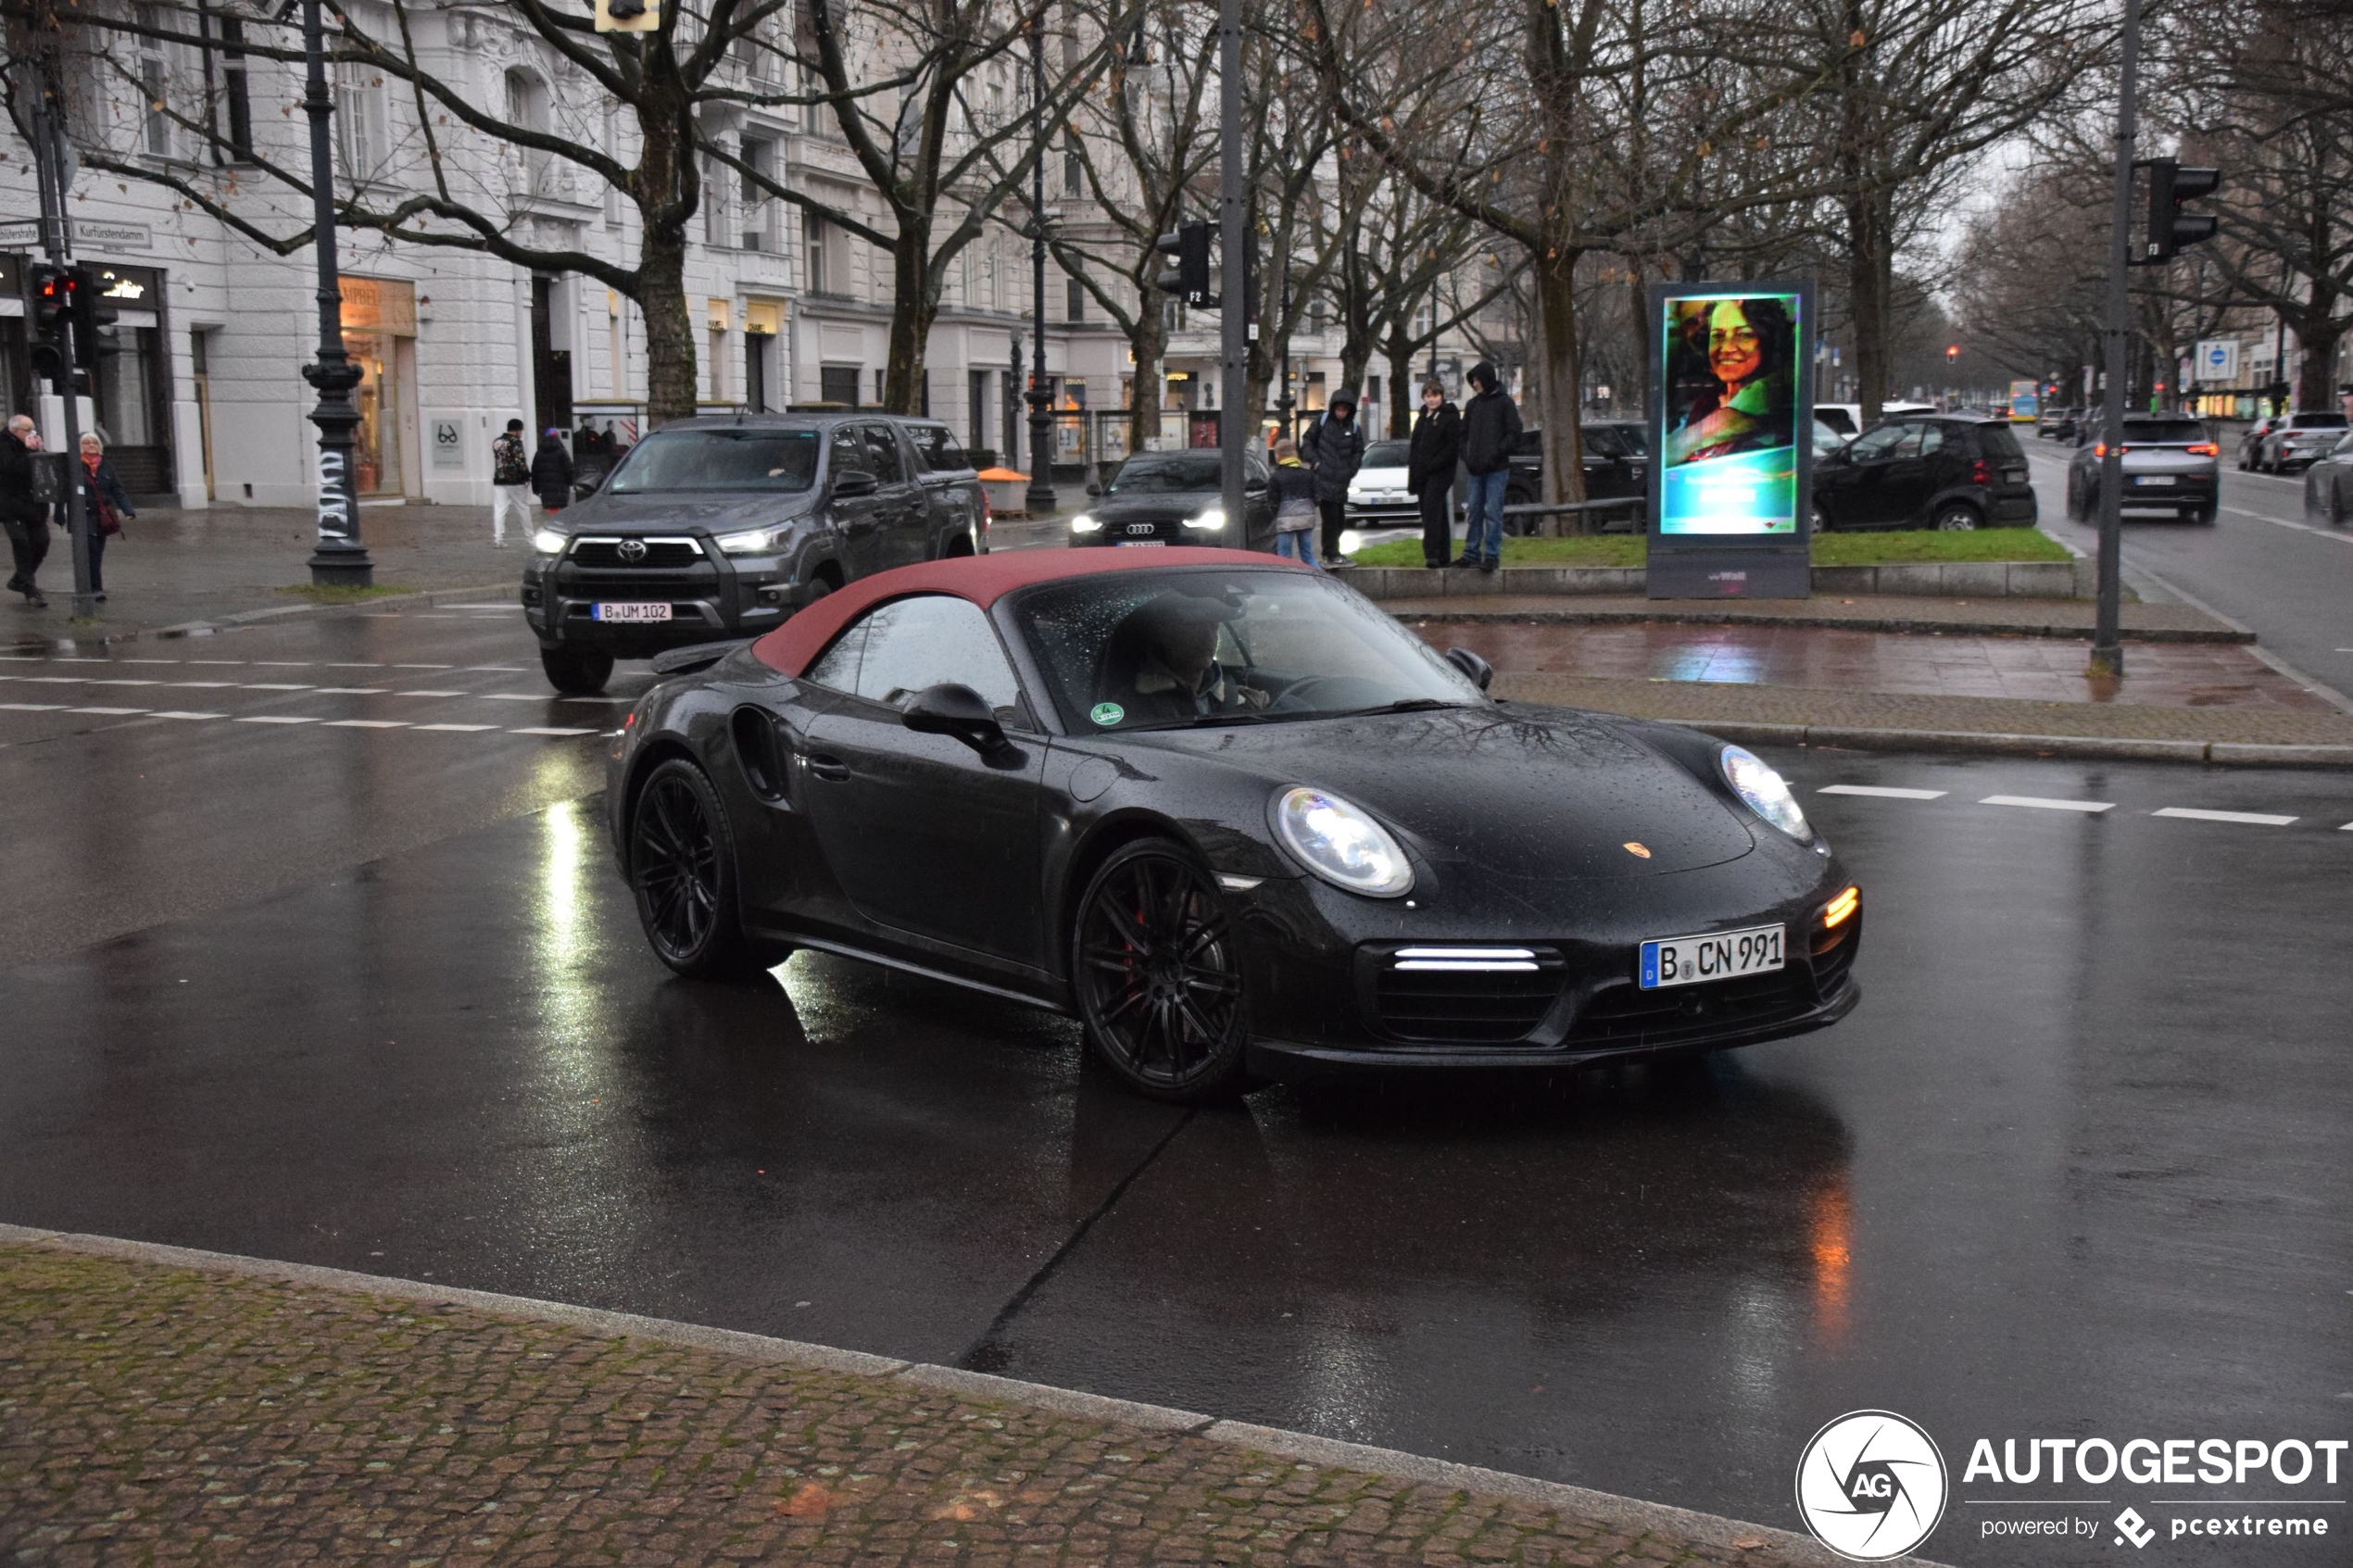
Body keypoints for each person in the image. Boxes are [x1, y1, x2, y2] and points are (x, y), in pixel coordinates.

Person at [1103, 593, 1272, 725]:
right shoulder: (1129, 708)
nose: (1207, 636)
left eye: (1213, 626)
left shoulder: (1245, 698)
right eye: (1193, 626)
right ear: (1161, 633)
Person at [1665, 296, 1793, 465]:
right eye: (1717, 336)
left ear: (1767, 341)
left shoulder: (1771, 403)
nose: (1727, 348)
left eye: (1743, 335)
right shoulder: (1704, 403)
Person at [1456, 361, 1521, 571]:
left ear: (1485, 379)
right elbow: (1463, 433)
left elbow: (1514, 434)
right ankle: (1471, 552)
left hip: (1496, 468)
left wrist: (1495, 453)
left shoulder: (1505, 403)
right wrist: (1466, 455)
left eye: (1476, 380)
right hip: (1476, 468)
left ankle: (1491, 555)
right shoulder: (1473, 405)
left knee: (1493, 513)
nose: (1474, 384)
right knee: (1475, 511)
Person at [1300, 387, 1365, 565]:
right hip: (1324, 478)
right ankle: (1330, 553)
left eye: (1345, 410)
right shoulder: (1322, 421)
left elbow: (1358, 451)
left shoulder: (1353, 427)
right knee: (1331, 519)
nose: (1341, 413)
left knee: (1339, 520)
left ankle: (1332, 552)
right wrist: (1316, 462)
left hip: (1341, 480)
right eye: (1339, 409)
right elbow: (1307, 442)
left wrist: (1351, 469)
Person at [1406, 379, 1462, 569]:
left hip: (1440, 472)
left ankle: (1432, 554)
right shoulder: (1422, 418)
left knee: (1431, 510)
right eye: (1428, 396)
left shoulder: (1450, 416)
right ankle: (1443, 554)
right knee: (1434, 512)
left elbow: (1451, 447)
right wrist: (1414, 468)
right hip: (1422, 473)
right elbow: (1415, 445)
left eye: (1435, 395)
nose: (1431, 400)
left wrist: (1432, 464)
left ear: (1441, 396)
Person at [77, 433, 135, 603]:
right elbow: (67, 489)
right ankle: (95, 588)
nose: (91, 445)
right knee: (91, 551)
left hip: (102, 517)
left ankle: (90, 585)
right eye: (86, 442)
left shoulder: (106, 465)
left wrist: (128, 510)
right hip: (83, 516)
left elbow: (117, 489)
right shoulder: (76, 465)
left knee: (97, 552)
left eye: (94, 442)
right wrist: (59, 513)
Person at [2, 413, 50, 608]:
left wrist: (39, 451)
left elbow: (46, 468)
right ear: (14, 431)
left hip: (34, 505)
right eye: (27, 430)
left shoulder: (31, 446)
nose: (32, 433)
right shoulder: (4, 445)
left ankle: (19, 580)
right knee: (22, 544)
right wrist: (30, 454)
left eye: (33, 429)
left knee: (41, 542)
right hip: (10, 506)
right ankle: (31, 590)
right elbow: (10, 469)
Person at [1269, 437, 1320, 566]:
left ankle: (1286, 584)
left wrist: (1277, 514)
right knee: (1307, 556)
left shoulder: (1276, 477)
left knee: (1284, 557)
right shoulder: (1308, 474)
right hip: (1306, 518)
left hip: (1286, 520)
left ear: (1278, 456)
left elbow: (1272, 501)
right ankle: (1321, 582)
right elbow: (1318, 497)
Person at [491, 418, 531, 546]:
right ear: (517, 430)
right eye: (521, 430)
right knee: (522, 508)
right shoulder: (516, 442)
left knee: (500, 508)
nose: (522, 432)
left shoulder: (497, 442)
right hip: (515, 480)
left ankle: (498, 538)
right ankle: (530, 537)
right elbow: (520, 461)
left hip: (499, 479)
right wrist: (526, 476)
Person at [531, 428, 574, 515]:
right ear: (558, 437)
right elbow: (569, 469)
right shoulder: (562, 452)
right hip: (560, 489)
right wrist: (571, 482)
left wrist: (535, 489)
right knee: (561, 514)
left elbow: (534, 472)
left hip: (545, 490)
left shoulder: (539, 453)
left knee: (551, 512)